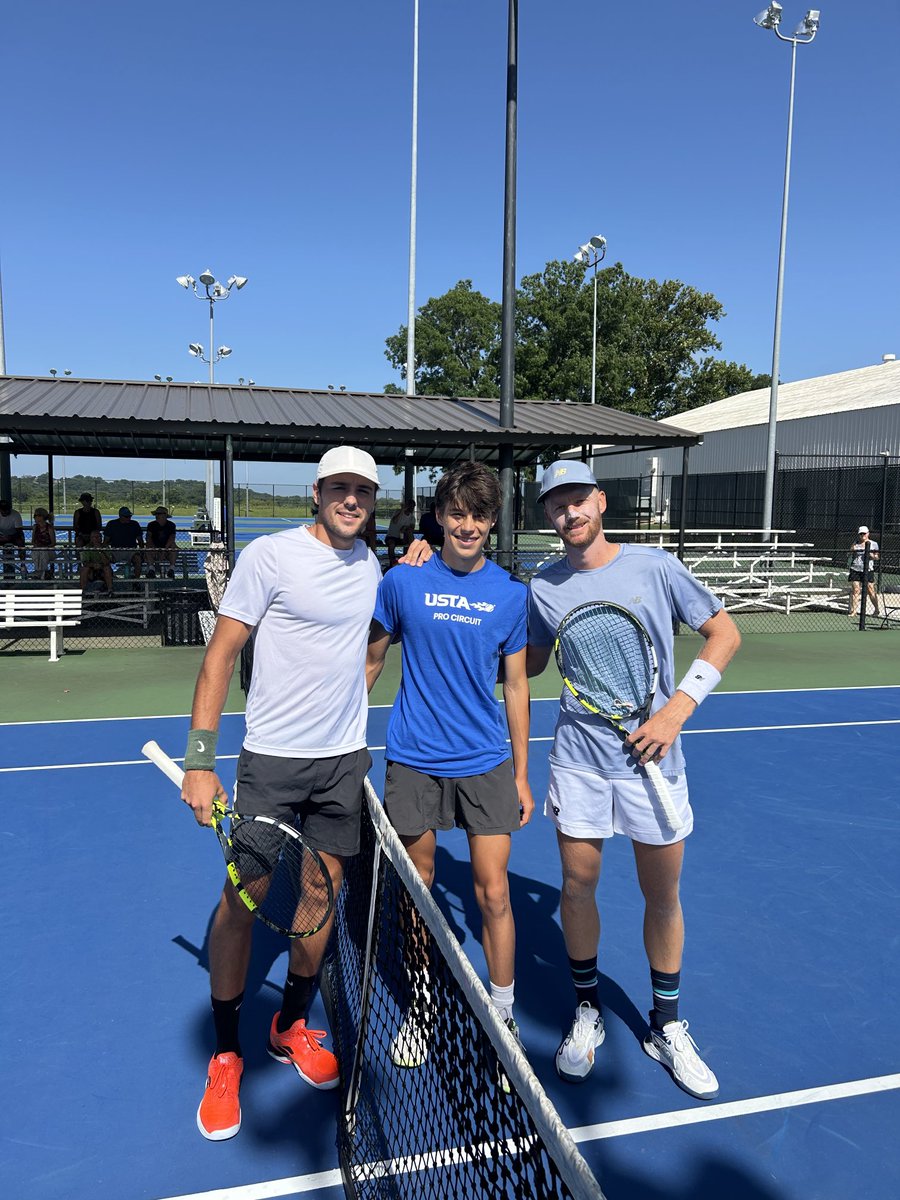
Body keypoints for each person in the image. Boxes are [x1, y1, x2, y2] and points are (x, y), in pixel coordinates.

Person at [181, 446, 429, 1142]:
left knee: (321, 897)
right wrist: (201, 761)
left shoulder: (373, 567)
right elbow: (219, 656)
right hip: (271, 764)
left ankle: (287, 1026)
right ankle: (227, 1053)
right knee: (243, 900)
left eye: (364, 491)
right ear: (317, 492)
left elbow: (370, 650)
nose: (352, 500)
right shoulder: (270, 557)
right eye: (340, 488)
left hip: (342, 764)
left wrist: (345, 708)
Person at [526, 460, 740, 1101]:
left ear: (600, 500)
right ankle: (587, 1010)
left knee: (661, 895)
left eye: (577, 500)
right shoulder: (542, 584)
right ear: (547, 517)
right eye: (556, 506)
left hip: (654, 764)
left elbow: (723, 633)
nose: (570, 514)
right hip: (579, 762)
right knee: (577, 885)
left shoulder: (655, 566)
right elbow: (533, 659)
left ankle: (666, 1024)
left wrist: (678, 709)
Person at [366, 462, 533, 1071]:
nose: (467, 526)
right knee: (419, 892)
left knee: (493, 893)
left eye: (479, 516)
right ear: (439, 517)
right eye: (457, 514)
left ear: (492, 523)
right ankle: (421, 1006)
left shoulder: (512, 596)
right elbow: (370, 664)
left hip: (485, 762)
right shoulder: (402, 583)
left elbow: (517, 687)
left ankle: (504, 1007)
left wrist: (519, 773)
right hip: (412, 758)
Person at [848, 525, 880, 618]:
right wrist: (852, 550)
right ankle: (854, 611)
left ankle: (876, 609)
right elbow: (850, 552)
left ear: (868, 534)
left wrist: (871, 555)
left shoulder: (873, 544)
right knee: (856, 590)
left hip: (868, 570)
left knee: (870, 590)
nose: (862, 535)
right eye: (861, 534)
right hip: (855, 569)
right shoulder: (856, 543)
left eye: (864, 534)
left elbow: (877, 557)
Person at [103, 506, 144, 577]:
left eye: (129, 516)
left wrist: (142, 552)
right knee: (104, 560)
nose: (129, 518)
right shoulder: (112, 524)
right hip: (115, 550)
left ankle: (136, 581)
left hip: (131, 551)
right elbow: (106, 541)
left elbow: (140, 541)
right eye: (126, 516)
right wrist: (106, 552)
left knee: (138, 559)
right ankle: (110, 577)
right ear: (120, 516)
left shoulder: (134, 524)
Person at [145, 505, 178, 578]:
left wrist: (164, 550)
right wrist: (154, 548)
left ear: (164, 515)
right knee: (147, 547)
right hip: (154, 549)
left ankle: (171, 569)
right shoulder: (151, 525)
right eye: (156, 514)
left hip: (167, 549)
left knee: (173, 546)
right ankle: (151, 569)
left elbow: (172, 538)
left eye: (158, 514)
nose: (156, 516)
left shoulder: (171, 525)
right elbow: (148, 538)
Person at [0, 499, 26, 579]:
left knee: (21, 540)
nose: (5, 512)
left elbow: (19, 531)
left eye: (6, 510)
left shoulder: (16, 514)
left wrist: (9, 537)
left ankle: (23, 564)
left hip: (14, 535)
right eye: (3, 510)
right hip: (1, 535)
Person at [385, 499, 416, 566]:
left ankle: (411, 556)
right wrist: (402, 510)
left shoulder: (412, 518)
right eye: (410, 506)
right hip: (392, 537)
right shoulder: (397, 512)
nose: (411, 508)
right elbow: (394, 520)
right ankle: (392, 562)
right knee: (391, 545)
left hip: (402, 537)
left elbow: (412, 528)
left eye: (413, 506)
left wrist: (405, 528)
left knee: (409, 533)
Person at [30, 507, 56, 579]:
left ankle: (39, 572)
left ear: (41, 517)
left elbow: (53, 543)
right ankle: (41, 573)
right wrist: (36, 546)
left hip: (49, 551)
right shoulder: (35, 527)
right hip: (38, 550)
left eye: (35, 516)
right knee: (36, 552)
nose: (34, 518)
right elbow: (33, 541)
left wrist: (46, 547)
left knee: (43, 552)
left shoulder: (49, 528)